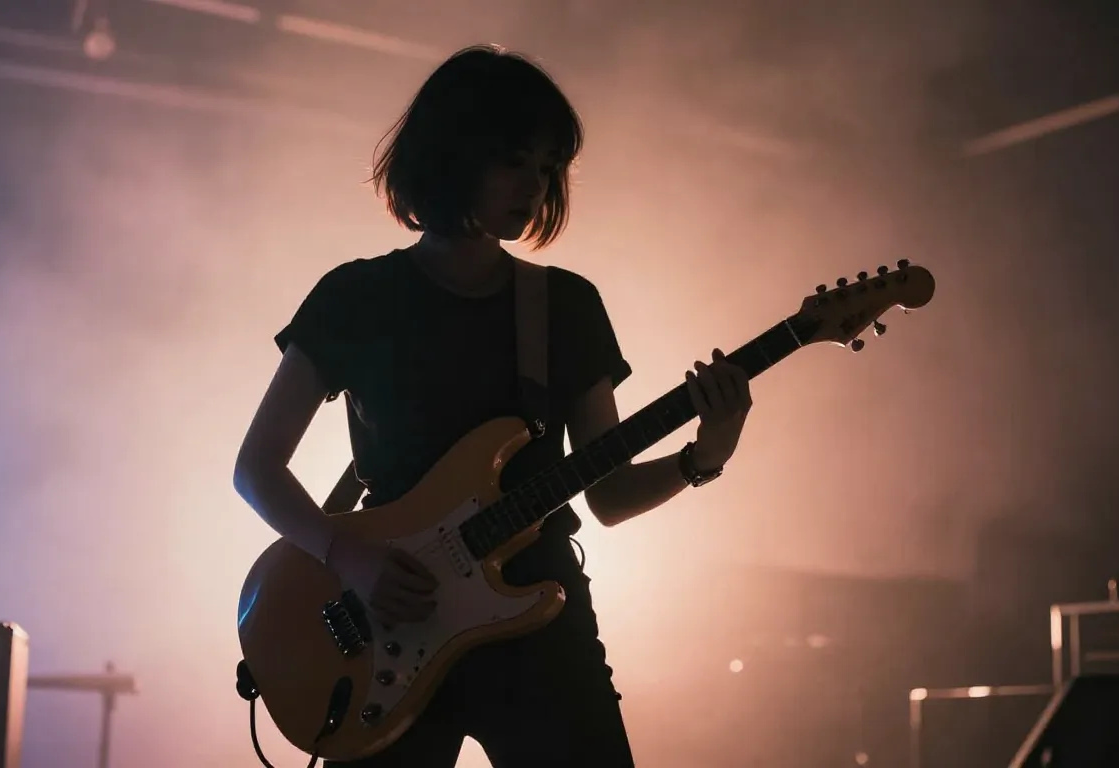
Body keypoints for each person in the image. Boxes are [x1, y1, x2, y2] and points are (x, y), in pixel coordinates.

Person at [233, 44, 753, 768]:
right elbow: (257, 468)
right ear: (452, 156)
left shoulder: (566, 305)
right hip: (391, 612)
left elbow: (606, 495)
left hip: (538, 620)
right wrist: (348, 557)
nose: (535, 185)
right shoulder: (356, 297)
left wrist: (703, 457)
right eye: (514, 161)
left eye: (548, 167)